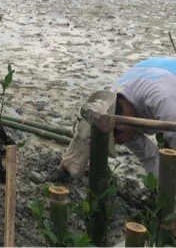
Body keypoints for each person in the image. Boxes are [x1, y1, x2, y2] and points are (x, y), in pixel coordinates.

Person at [45, 57, 176, 183]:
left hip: (166, 76)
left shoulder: (163, 102)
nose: (119, 144)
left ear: (122, 127)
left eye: (116, 142)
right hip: (150, 69)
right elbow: (150, 157)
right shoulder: (112, 108)